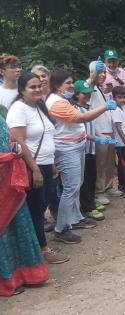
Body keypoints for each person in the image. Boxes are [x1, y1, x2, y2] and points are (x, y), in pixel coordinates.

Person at [46, 69, 118, 243]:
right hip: (66, 149)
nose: (71, 85)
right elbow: (81, 118)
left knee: (76, 185)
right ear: (57, 85)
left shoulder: (63, 99)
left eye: (72, 82)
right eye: (68, 83)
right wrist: (105, 107)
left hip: (76, 146)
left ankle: (75, 218)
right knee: (70, 188)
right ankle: (61, 228)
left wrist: (96, 137)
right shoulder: (56, 103)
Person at [6, 72, 69, 264]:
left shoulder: (39, 106)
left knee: (42, 206)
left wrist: (52, 165)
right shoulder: (18, 109)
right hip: (31, 166)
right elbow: (19, 143)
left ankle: (37, 245)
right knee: (35, 208)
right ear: (22, 90)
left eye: (39, 86)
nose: (37, 89)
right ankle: (42, 250)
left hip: (46, 164)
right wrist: (34, 169)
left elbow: (47, 136)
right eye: (31, 87)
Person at [0, 114, 48, 296]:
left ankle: (27, 275)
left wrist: (16, 149)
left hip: (10, 183)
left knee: (19, 228)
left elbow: (10, 140)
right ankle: (7, 280)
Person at [73, 80, 119, 221]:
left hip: (91, 149)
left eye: (88, 93)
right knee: (85, 180)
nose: (86, 96)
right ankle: (86, 208)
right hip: (83, 149)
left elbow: (93, 126)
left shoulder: (88, 107)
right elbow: (80, 132)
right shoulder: (75, 109)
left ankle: (91, 203)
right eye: (83, 94)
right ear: (76, 94)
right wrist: (97, 139)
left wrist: (102, 136)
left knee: (92, 176)